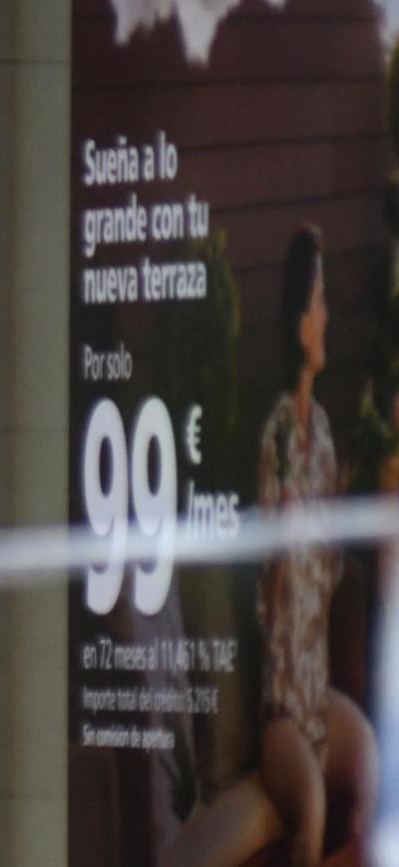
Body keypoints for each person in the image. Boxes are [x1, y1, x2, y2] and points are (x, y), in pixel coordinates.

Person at [253, 225, 375, 867]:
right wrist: (281, 542)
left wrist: (344, 505)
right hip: (282, 710)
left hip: (319, 697)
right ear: (301, 320)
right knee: (311, 813)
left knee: (372, 764)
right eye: (320, 302)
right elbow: (264, 604)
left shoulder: (323, 433)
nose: (327, 316)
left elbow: (326, 576)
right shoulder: (275, 435)